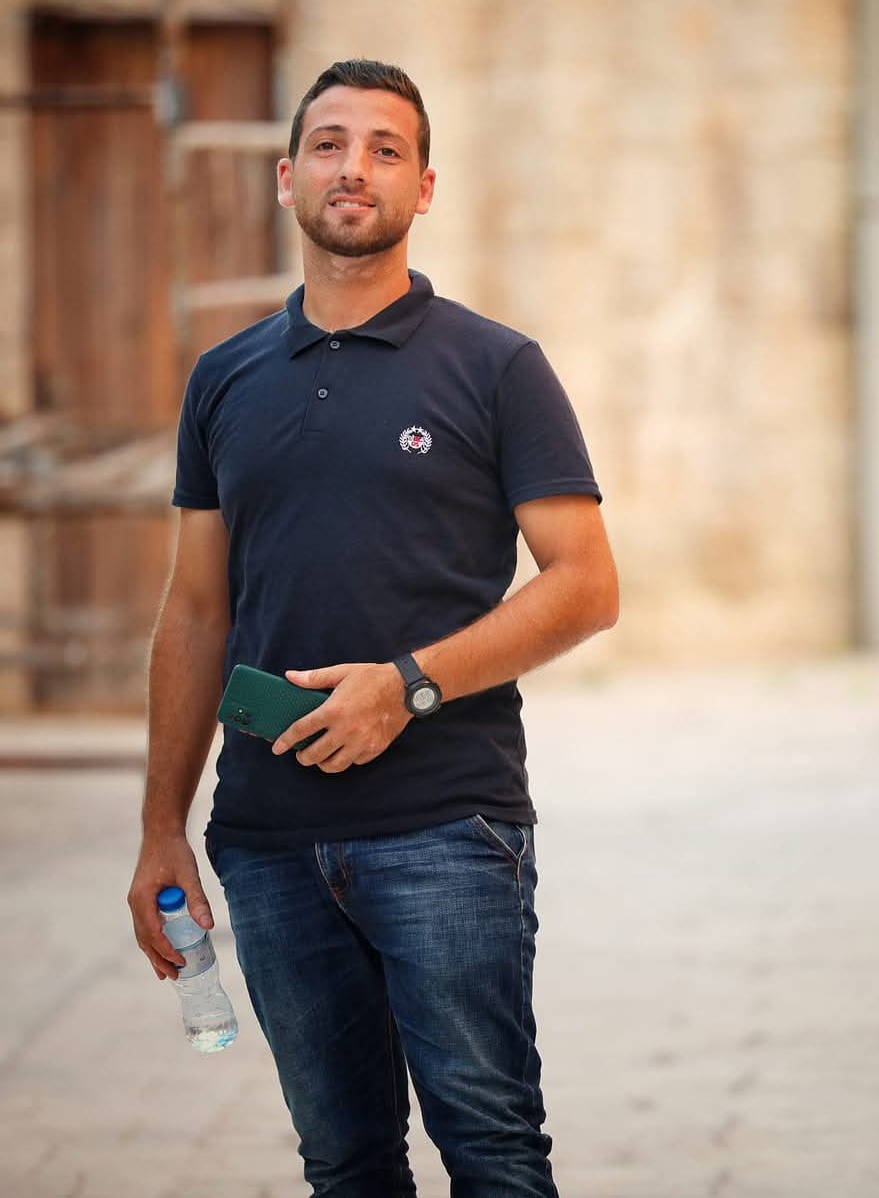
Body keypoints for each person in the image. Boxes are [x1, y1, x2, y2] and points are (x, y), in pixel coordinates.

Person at [127, 58, 618, 1197]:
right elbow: (195, 611)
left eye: (386, 149)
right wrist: (161, 830)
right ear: (287, 177)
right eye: (331, 144)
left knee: (494, 1153)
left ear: (425, 188)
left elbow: (586, 584)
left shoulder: (498, 368)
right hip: (268, 839)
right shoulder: (223, 380)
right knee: (344, 1165)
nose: (356, 167)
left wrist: (408, 684)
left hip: (446, 828)